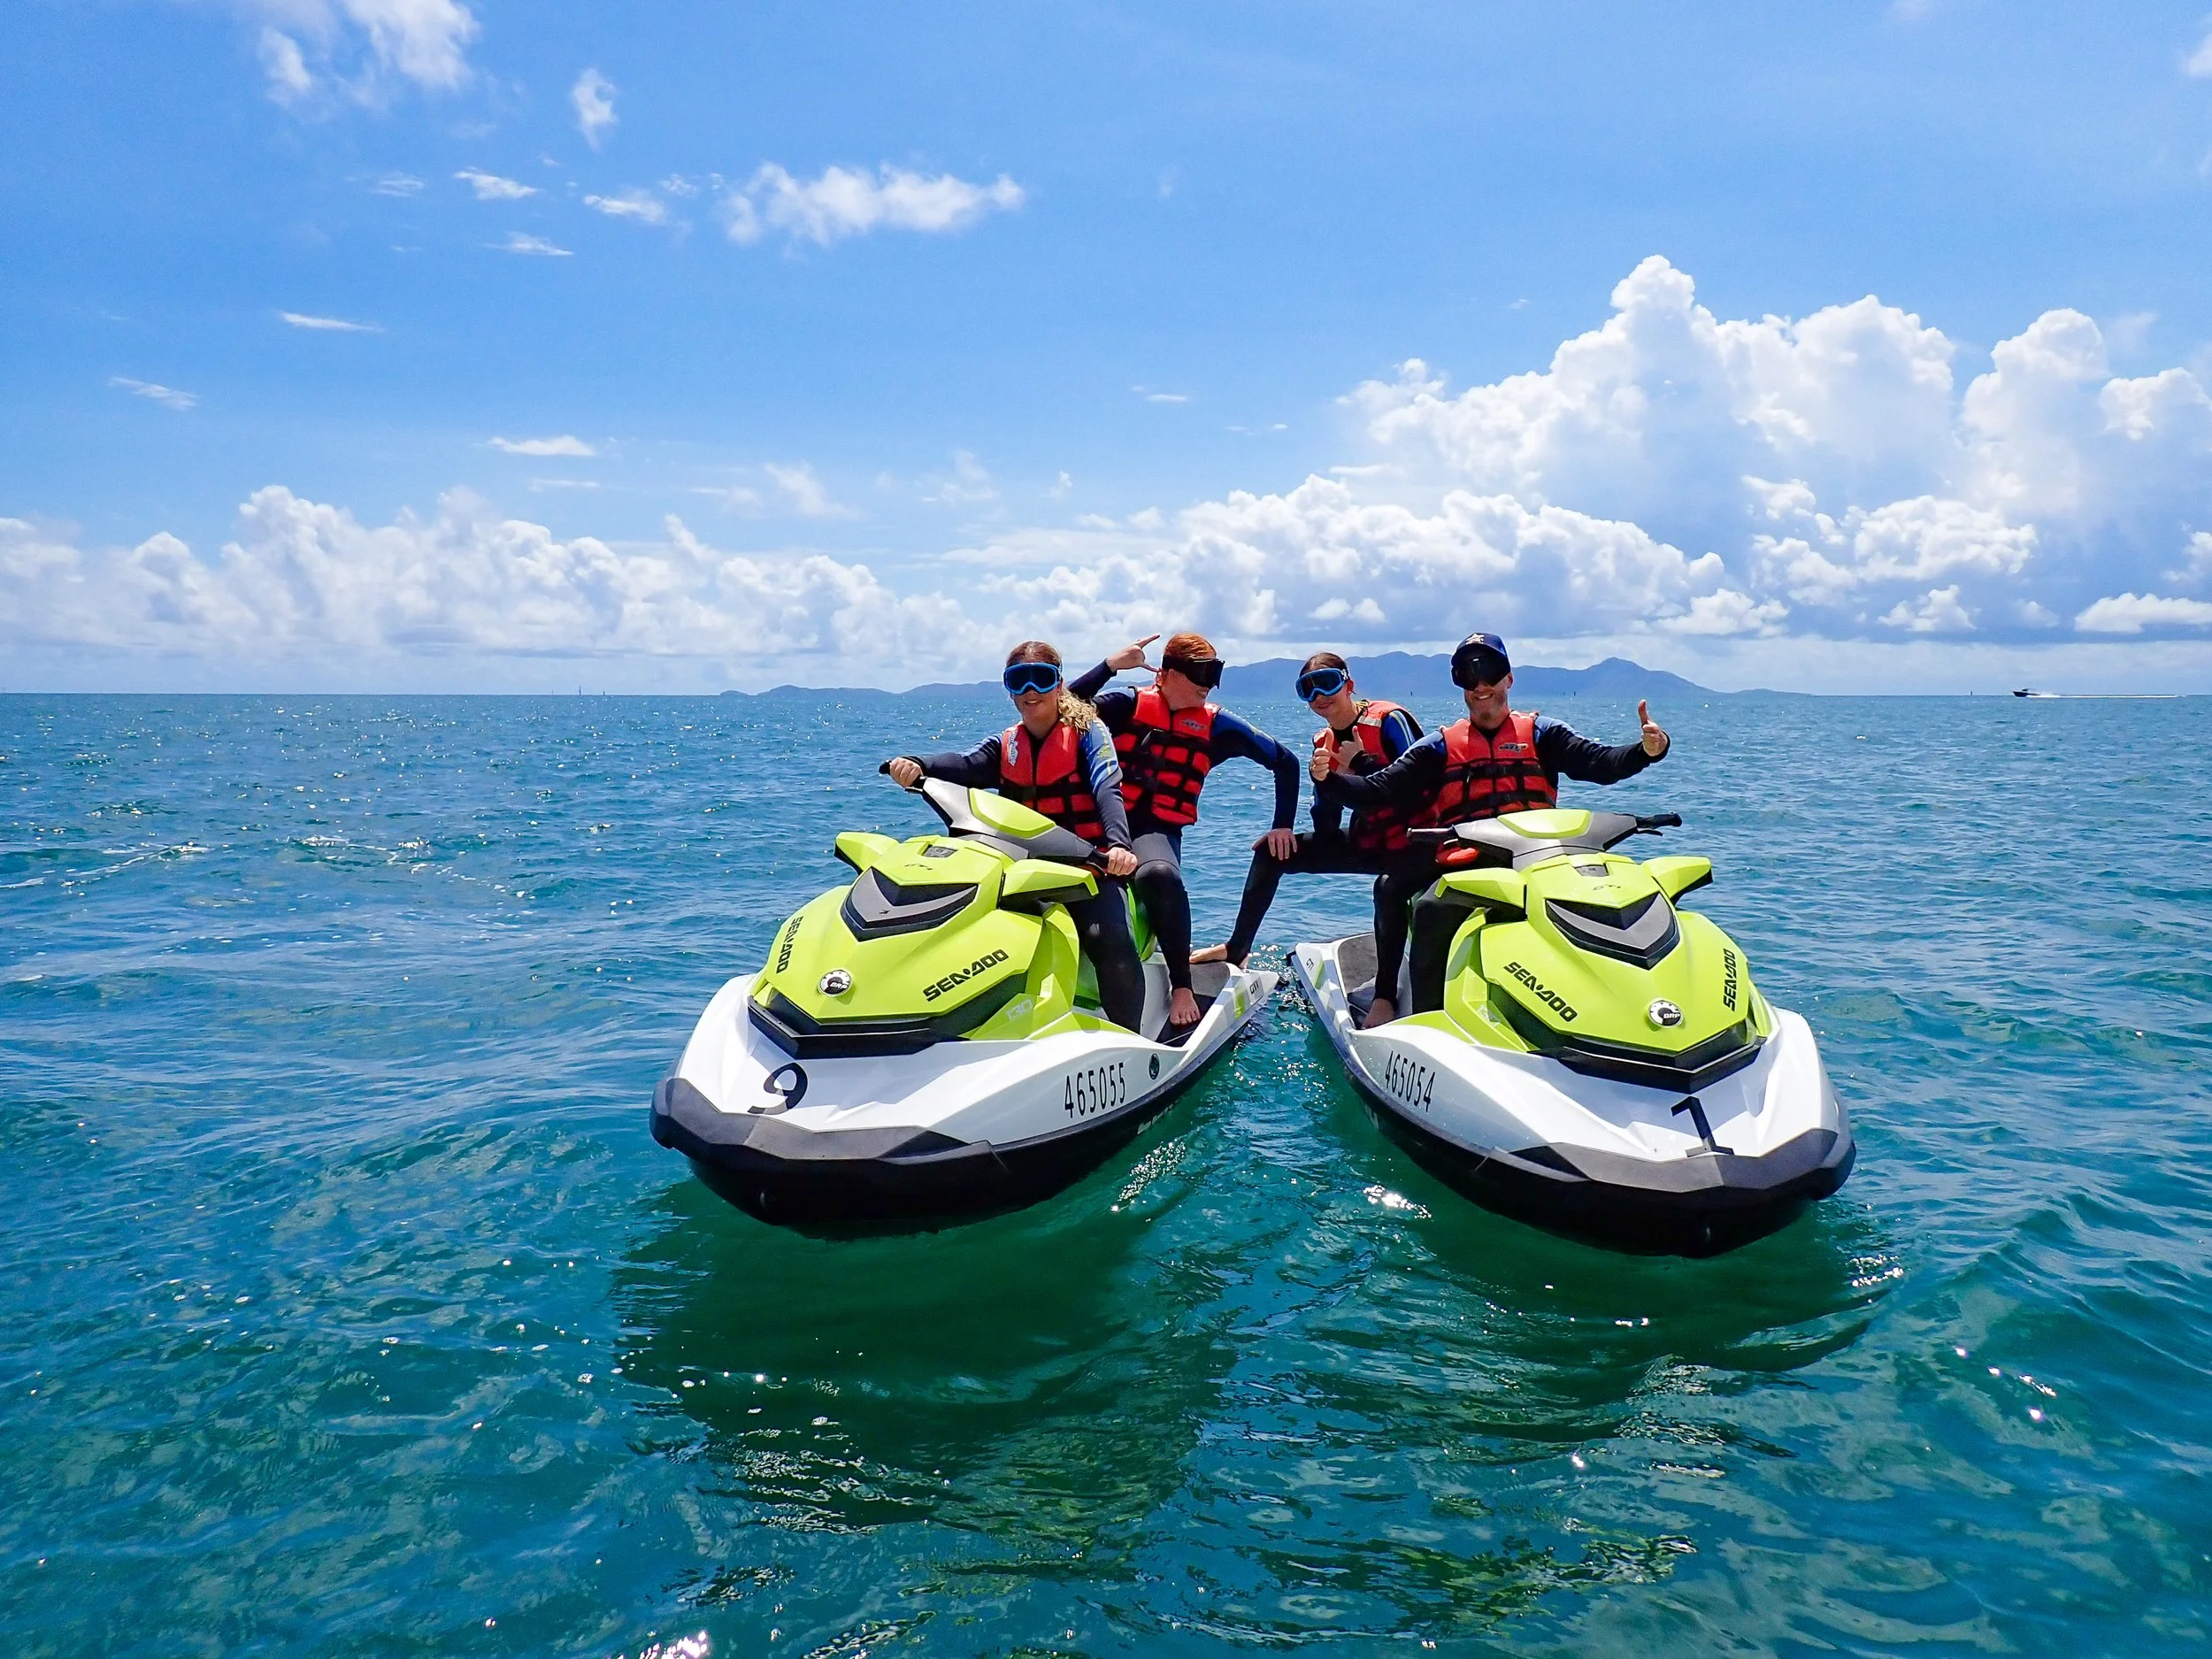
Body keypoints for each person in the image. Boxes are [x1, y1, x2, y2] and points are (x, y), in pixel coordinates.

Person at [1316, 631, 1671, 1025]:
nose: (1480, 685)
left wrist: (1646, 751)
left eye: (1490, 672)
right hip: (1469, 860)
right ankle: (1408, 1010)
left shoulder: (1543, 733)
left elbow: (1600, 763)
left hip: (1538, 858)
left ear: (1509, 679)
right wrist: (1329, 779)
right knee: (1412, 899)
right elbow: (1379, 791)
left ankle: (1631, 1000)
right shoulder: (1439, 746)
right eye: (1469, 676)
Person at [885, 641, 1146, 1032]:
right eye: (1019, 681)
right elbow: (965, 765)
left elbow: (1108, 789)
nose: (1030, 691)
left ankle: (1130, 1037)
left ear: (1059, 684)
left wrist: (1119, 846)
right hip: (1023, 873)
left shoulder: (1089, 734)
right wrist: (918, 763)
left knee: (1107, 938)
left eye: (1041, 679)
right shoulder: (1005, 745)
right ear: (1008, 689)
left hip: (1089, 866)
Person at [1069, 633, 1302, 1028]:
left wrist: (1283, 825)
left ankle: (1181, 985)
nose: (1209, 685)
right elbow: (1061, 709)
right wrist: (1109, 666)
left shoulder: (1217, 725)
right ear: (1167, 673)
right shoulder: (1126, 705)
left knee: (1159, 874)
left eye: (1214, 674)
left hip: (1154, 828)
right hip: (1097, 823)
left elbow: (1286, 761)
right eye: (1200, 673)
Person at [1188, 652, 1424, 980]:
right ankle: (1237, 948)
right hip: (1369, 841)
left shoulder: (1390, 721)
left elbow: (1418, 789)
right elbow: (1327, 828)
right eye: (1308, 690)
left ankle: (1385, 991)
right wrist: (1324, 784)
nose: (1319, 696)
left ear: (1349, 685)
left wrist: (1361, 764)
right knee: (1270, 854)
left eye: (1327, 684)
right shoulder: (1323, 743)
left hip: (1415, 844)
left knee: (1387, 888)